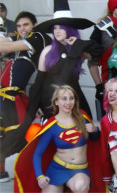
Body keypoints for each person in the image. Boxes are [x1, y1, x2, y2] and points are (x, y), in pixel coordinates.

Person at [14, 85, 104, 192]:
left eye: (71, 98)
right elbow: (38, 153)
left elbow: (95, 139)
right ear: (56, 102)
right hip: (57, 169)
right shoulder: (52, 125)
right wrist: (40, 177)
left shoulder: (82, 118)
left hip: (79, 169)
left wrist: (94, 130)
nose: (68, 102)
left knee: (81, 187)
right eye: (64, 99)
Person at [0, 11, 52, 182]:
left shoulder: (38, 37)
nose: (22, 29)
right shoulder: (18, 42)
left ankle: (33, 173)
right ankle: (1, 173)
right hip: (3, 97)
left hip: (14, 96)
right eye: (19, 26)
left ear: (34, 25)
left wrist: (6, 39)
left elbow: (6, 47)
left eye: (26, 25)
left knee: (19, 135)